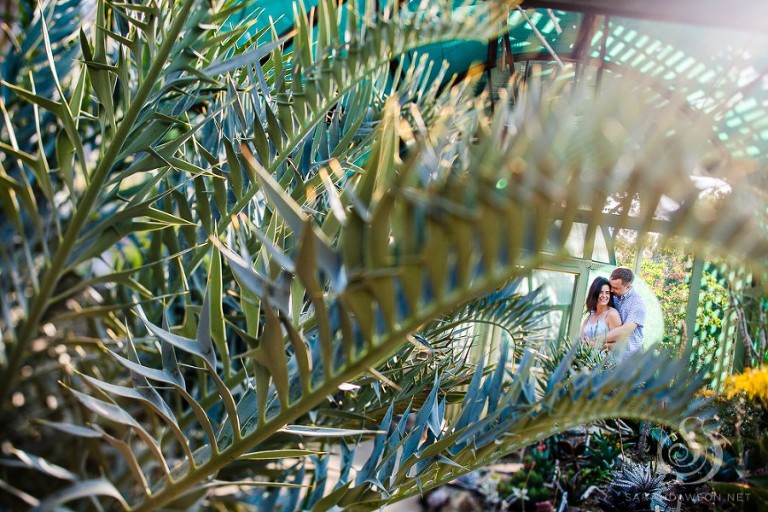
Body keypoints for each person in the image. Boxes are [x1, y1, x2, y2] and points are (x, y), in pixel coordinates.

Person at [604, 267, 646, 359]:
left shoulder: (637, 304)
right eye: (610, 286)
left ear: (628, 286)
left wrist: (596, 340)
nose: (611, 290)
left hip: (629, 360)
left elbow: (624, 331)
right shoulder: (613, 296)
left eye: (615, 288)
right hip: (612, 357)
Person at [581, 276, 622, 350]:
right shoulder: (589, 317)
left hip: (604, 360)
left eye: (607, 293)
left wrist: (594, 345)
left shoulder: (612, 314)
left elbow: (620, 344)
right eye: (601, 292)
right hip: (586, 359)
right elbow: (581, 341)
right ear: (594, 293)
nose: (604, 296)